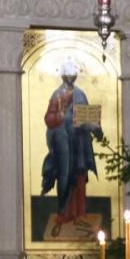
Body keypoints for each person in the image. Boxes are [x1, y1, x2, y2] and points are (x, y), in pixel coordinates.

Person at [41, 58, 102, 225]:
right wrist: (60, 116)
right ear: (62, 76)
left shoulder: (80, 94)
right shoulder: (57, 95)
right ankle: (64, 212)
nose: (70, 77)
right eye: (67, 74)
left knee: (79, 176)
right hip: (64, 143)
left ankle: (79, 213)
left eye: (73, 74)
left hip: (79, 143)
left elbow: (88, 116)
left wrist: (96, 128)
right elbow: (48, 119)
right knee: (65, 175)